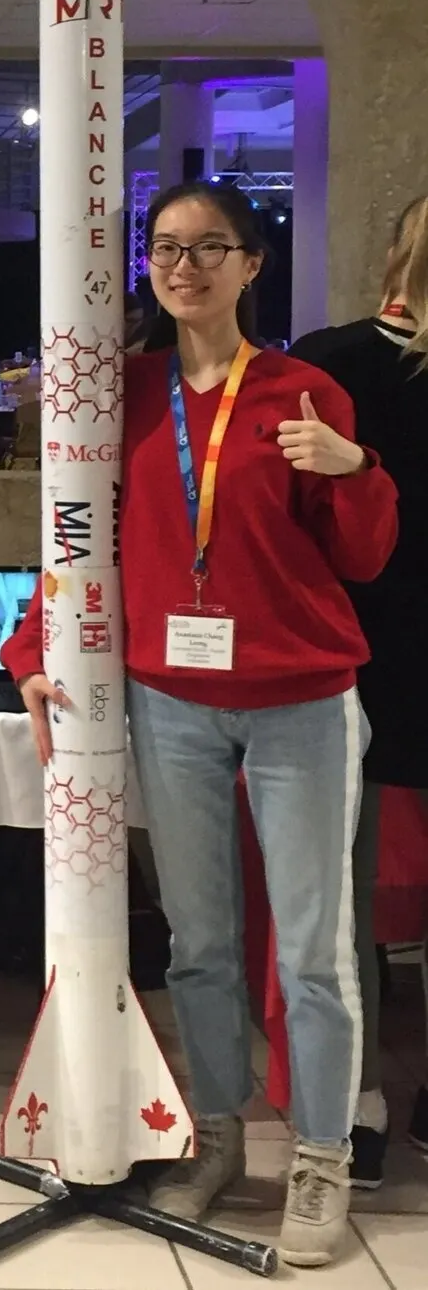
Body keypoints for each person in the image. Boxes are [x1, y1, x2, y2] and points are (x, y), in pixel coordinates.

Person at [0, 181, 397, 1269]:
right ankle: (217, 1130)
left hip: (302, 697)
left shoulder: (304, 392)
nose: (186, 266)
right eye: (167, 248)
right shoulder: (124, 394)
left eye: (210, 247)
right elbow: (82, 537)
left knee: (315, 950)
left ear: (252, 263)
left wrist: (357, 471)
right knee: (202, 940)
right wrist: (34, 649)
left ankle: (320, 1156)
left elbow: (362, 557)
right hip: (170, 697)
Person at [290, 196, 428, 1184]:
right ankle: (361, 1094)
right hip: (359, 648)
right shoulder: (332, 358)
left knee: (345, 886)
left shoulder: (329, 356)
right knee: (338, 887)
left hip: (366, 645)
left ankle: (378, 1098)